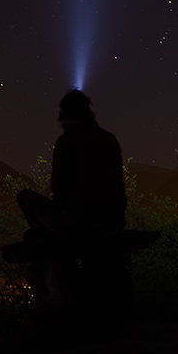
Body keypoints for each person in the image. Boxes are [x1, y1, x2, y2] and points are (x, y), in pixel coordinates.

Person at [15, 89, 127, 307]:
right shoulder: (108, 138)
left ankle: (63, 305)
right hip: (112, 220)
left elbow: (59, 187)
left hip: (80, 224)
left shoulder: (68, 141)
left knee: (25, 198)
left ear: (63, 114)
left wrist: (60, 220)